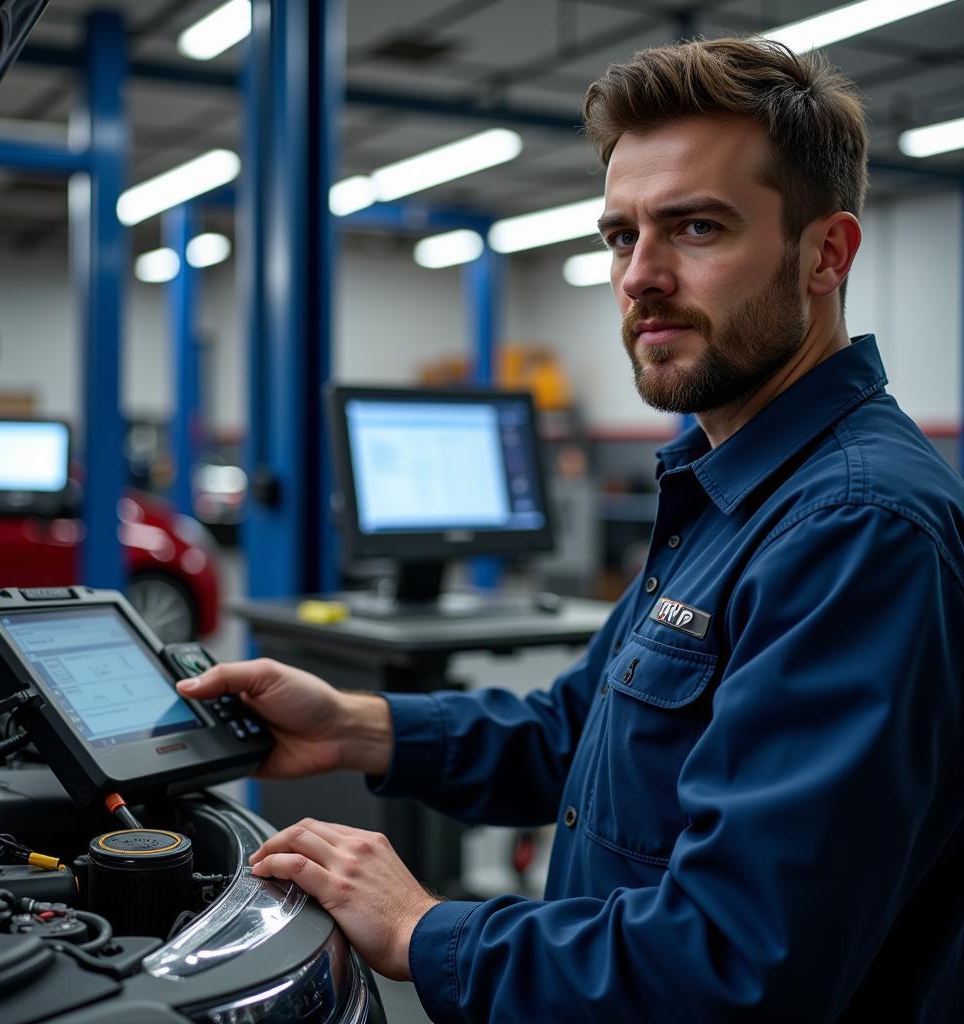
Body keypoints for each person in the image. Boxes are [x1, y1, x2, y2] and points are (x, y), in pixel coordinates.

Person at [178, 37, 964, 1023]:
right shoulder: (729, 488)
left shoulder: (853, 526)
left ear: (826, 254)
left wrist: (429, 929)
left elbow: (740, 965)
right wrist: (354, 724)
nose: (639, 275)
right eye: (618, 236)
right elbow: (577, 730)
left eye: (695, 228)